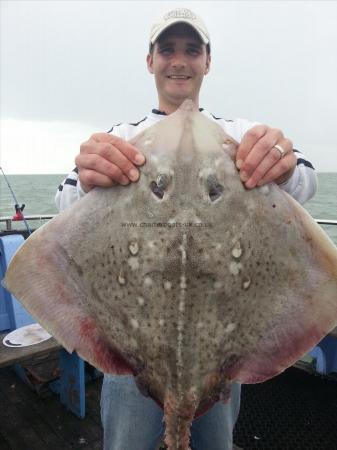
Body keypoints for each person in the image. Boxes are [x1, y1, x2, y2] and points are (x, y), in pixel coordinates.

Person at [55, 8, 317, 450]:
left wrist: (283, 164)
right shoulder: (121, 137)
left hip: (220, 345)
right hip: (131, 345)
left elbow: (306, 182)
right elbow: (64, 206)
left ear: (207, 62)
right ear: (150, 61)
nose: (179, 60)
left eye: (191, 50)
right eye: (167, 50)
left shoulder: (237, 133)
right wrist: (86, 177)